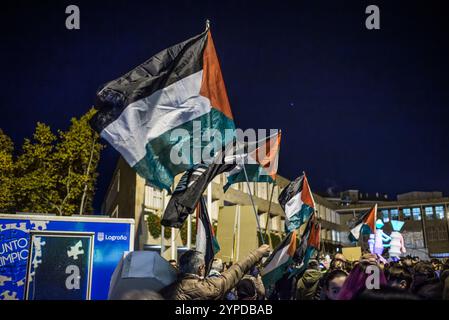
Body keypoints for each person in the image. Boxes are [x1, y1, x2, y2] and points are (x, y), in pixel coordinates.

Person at [160, 244, 270, 300]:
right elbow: (236, 270)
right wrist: (258, 253)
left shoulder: (165, 290)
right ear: (201, 268)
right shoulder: (207, 288)